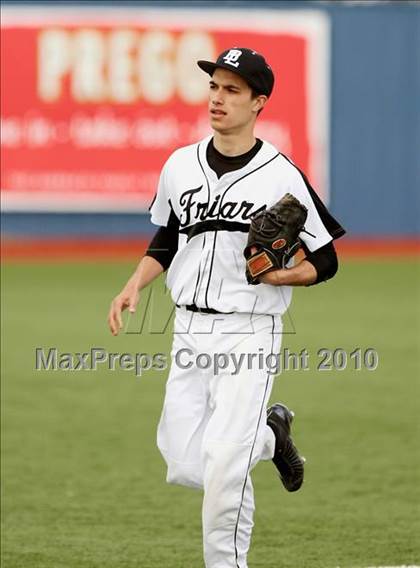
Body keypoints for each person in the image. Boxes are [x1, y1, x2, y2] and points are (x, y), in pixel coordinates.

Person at [108, 47, 345, 568]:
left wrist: (282, 274)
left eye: (232, 90)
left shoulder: (280, 174)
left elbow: (326, 260)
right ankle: (271, 435)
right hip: (188, 329)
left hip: (250, 330)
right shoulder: (180, 164)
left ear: (259, 102)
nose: (217, 98)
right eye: (214, 86)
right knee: (183, 461)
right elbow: (168, 236)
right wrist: (135, 284)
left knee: (223, 471)